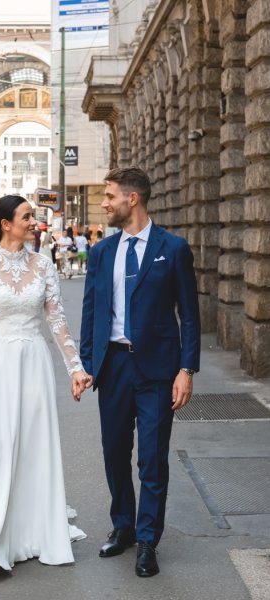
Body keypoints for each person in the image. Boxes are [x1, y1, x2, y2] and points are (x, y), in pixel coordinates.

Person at [0, 194, 91, 573]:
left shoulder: (44, 265)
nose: (34, 222)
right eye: (27, 216)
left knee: (33, 447)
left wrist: (75, 368)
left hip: (34, 363)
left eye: (34, 216)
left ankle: (31, 531)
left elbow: (57, 320)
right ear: (5, 224)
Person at [79, 167, 200, 578]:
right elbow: (91, 312)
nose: (104, 202)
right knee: (114, 452)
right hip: (113, 367)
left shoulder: (174, 248)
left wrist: (187, 369)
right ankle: (124, 527)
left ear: (132, 199)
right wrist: (86, 363)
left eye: (109, 195)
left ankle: (148, 539)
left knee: (151, 457)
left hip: (158, 371)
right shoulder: (101, 252)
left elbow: (190, 314)